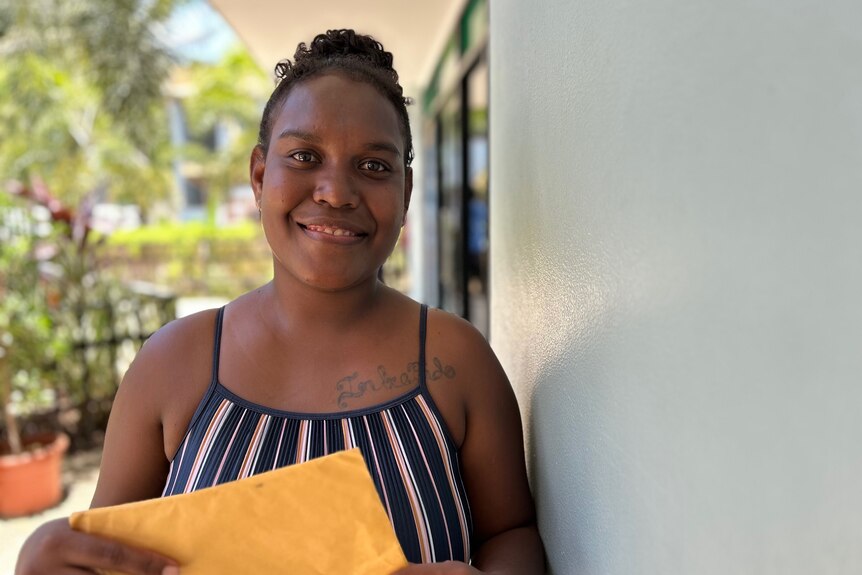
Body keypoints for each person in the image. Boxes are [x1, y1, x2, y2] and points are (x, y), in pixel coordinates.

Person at [16, 29, 545, 575]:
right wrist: (44, 560)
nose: (336, 191)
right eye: (305, 156)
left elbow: (512, 532)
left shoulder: (456, 360)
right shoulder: (173, 365)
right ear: (260, 175)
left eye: (373, 166)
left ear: (406, 193)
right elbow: (107, 556)